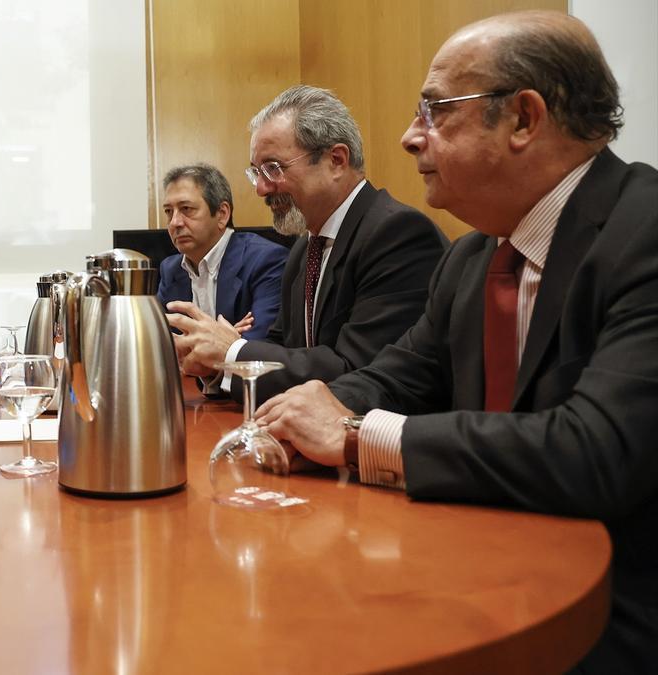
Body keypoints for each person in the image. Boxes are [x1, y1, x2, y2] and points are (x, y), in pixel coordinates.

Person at [255, 11, 658, 671]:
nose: (409, 137)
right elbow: (395, 376)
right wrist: (300, 414)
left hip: (611, 614)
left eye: (434, 111)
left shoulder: (644, 230)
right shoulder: (471, 257)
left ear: (524, 119)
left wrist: (355, 438)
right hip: (474, 571)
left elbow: (596, 451)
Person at [167, 86, 447, 404]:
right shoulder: (305, 247)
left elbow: (360, 370)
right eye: (256, 172)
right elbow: (281, 349)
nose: (260, 188)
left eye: (273, 168)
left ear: (336, 161)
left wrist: (232, 351)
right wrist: (214, 363)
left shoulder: (397, 234)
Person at [156, 163, 287, 342]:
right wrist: (221, 341)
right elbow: (161, 344)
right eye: (169, 212)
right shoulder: (170, 269)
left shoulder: (266, 261)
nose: (174, 222)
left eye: (186, 209)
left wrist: (198, 347)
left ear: (222, 214)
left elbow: (260, 347)